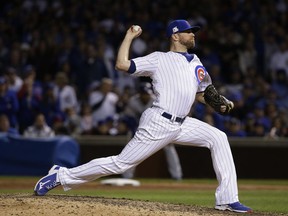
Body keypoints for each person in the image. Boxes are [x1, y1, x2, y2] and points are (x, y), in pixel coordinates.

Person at [34, 20, 252, 213]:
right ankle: (60, 176)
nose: (193, 34)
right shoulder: (159, 59)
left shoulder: (196, 61)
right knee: (120, 164)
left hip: (183, 123)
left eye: (193, 31)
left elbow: (203, 94)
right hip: (159, 122)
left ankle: (227, 200)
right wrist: (129, 37)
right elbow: (122, 64)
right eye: (188, 31)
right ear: (175, 36)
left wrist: (219, 102)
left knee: (219, 138)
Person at [122, 82, 182, 180]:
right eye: (144, 94)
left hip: (157, 128)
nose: (146, 96)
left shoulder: (157, 101)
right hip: (138, 128)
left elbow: (164, 119)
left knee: (169, 147)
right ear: (140, 94)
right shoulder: (133, 102)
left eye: (148, 94)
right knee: (132, 148)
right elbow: (129, 120)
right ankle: (127, 176)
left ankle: (177, 176)